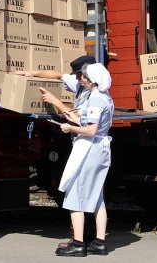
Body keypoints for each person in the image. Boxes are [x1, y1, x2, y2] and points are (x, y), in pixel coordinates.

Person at [41, 63, 114, 257]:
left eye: (85, 77)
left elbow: (90, 130)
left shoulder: (96, 99)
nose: (82, 80)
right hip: (101, 147)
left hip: (90, 148)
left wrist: (69, 128)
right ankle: (99, 242)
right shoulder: (107, 98)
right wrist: (72, 118)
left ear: (93, 80)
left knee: (75, 195)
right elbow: (86, 121)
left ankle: (79, 243)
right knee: (98, 197)